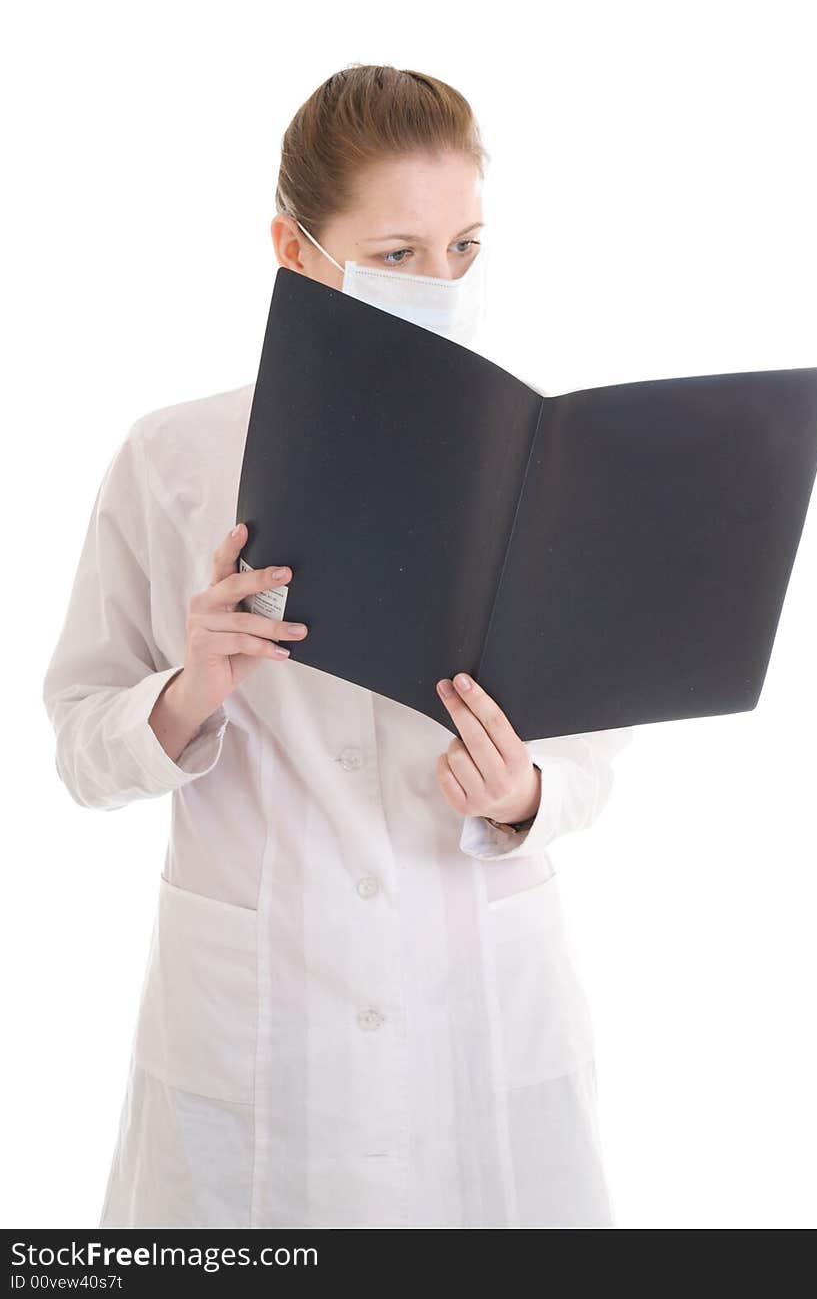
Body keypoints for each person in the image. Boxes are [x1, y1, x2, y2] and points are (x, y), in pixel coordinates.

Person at [42, 63, 634, 1229]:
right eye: (400, 254)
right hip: (260, 1027)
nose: (443, 282)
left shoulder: (542, 456)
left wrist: (523, 793)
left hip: (481, 1000)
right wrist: (185, 692)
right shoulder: (174, 460)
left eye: (466, 246)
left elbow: (593, 754)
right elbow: (78, 743)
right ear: (295, 249)